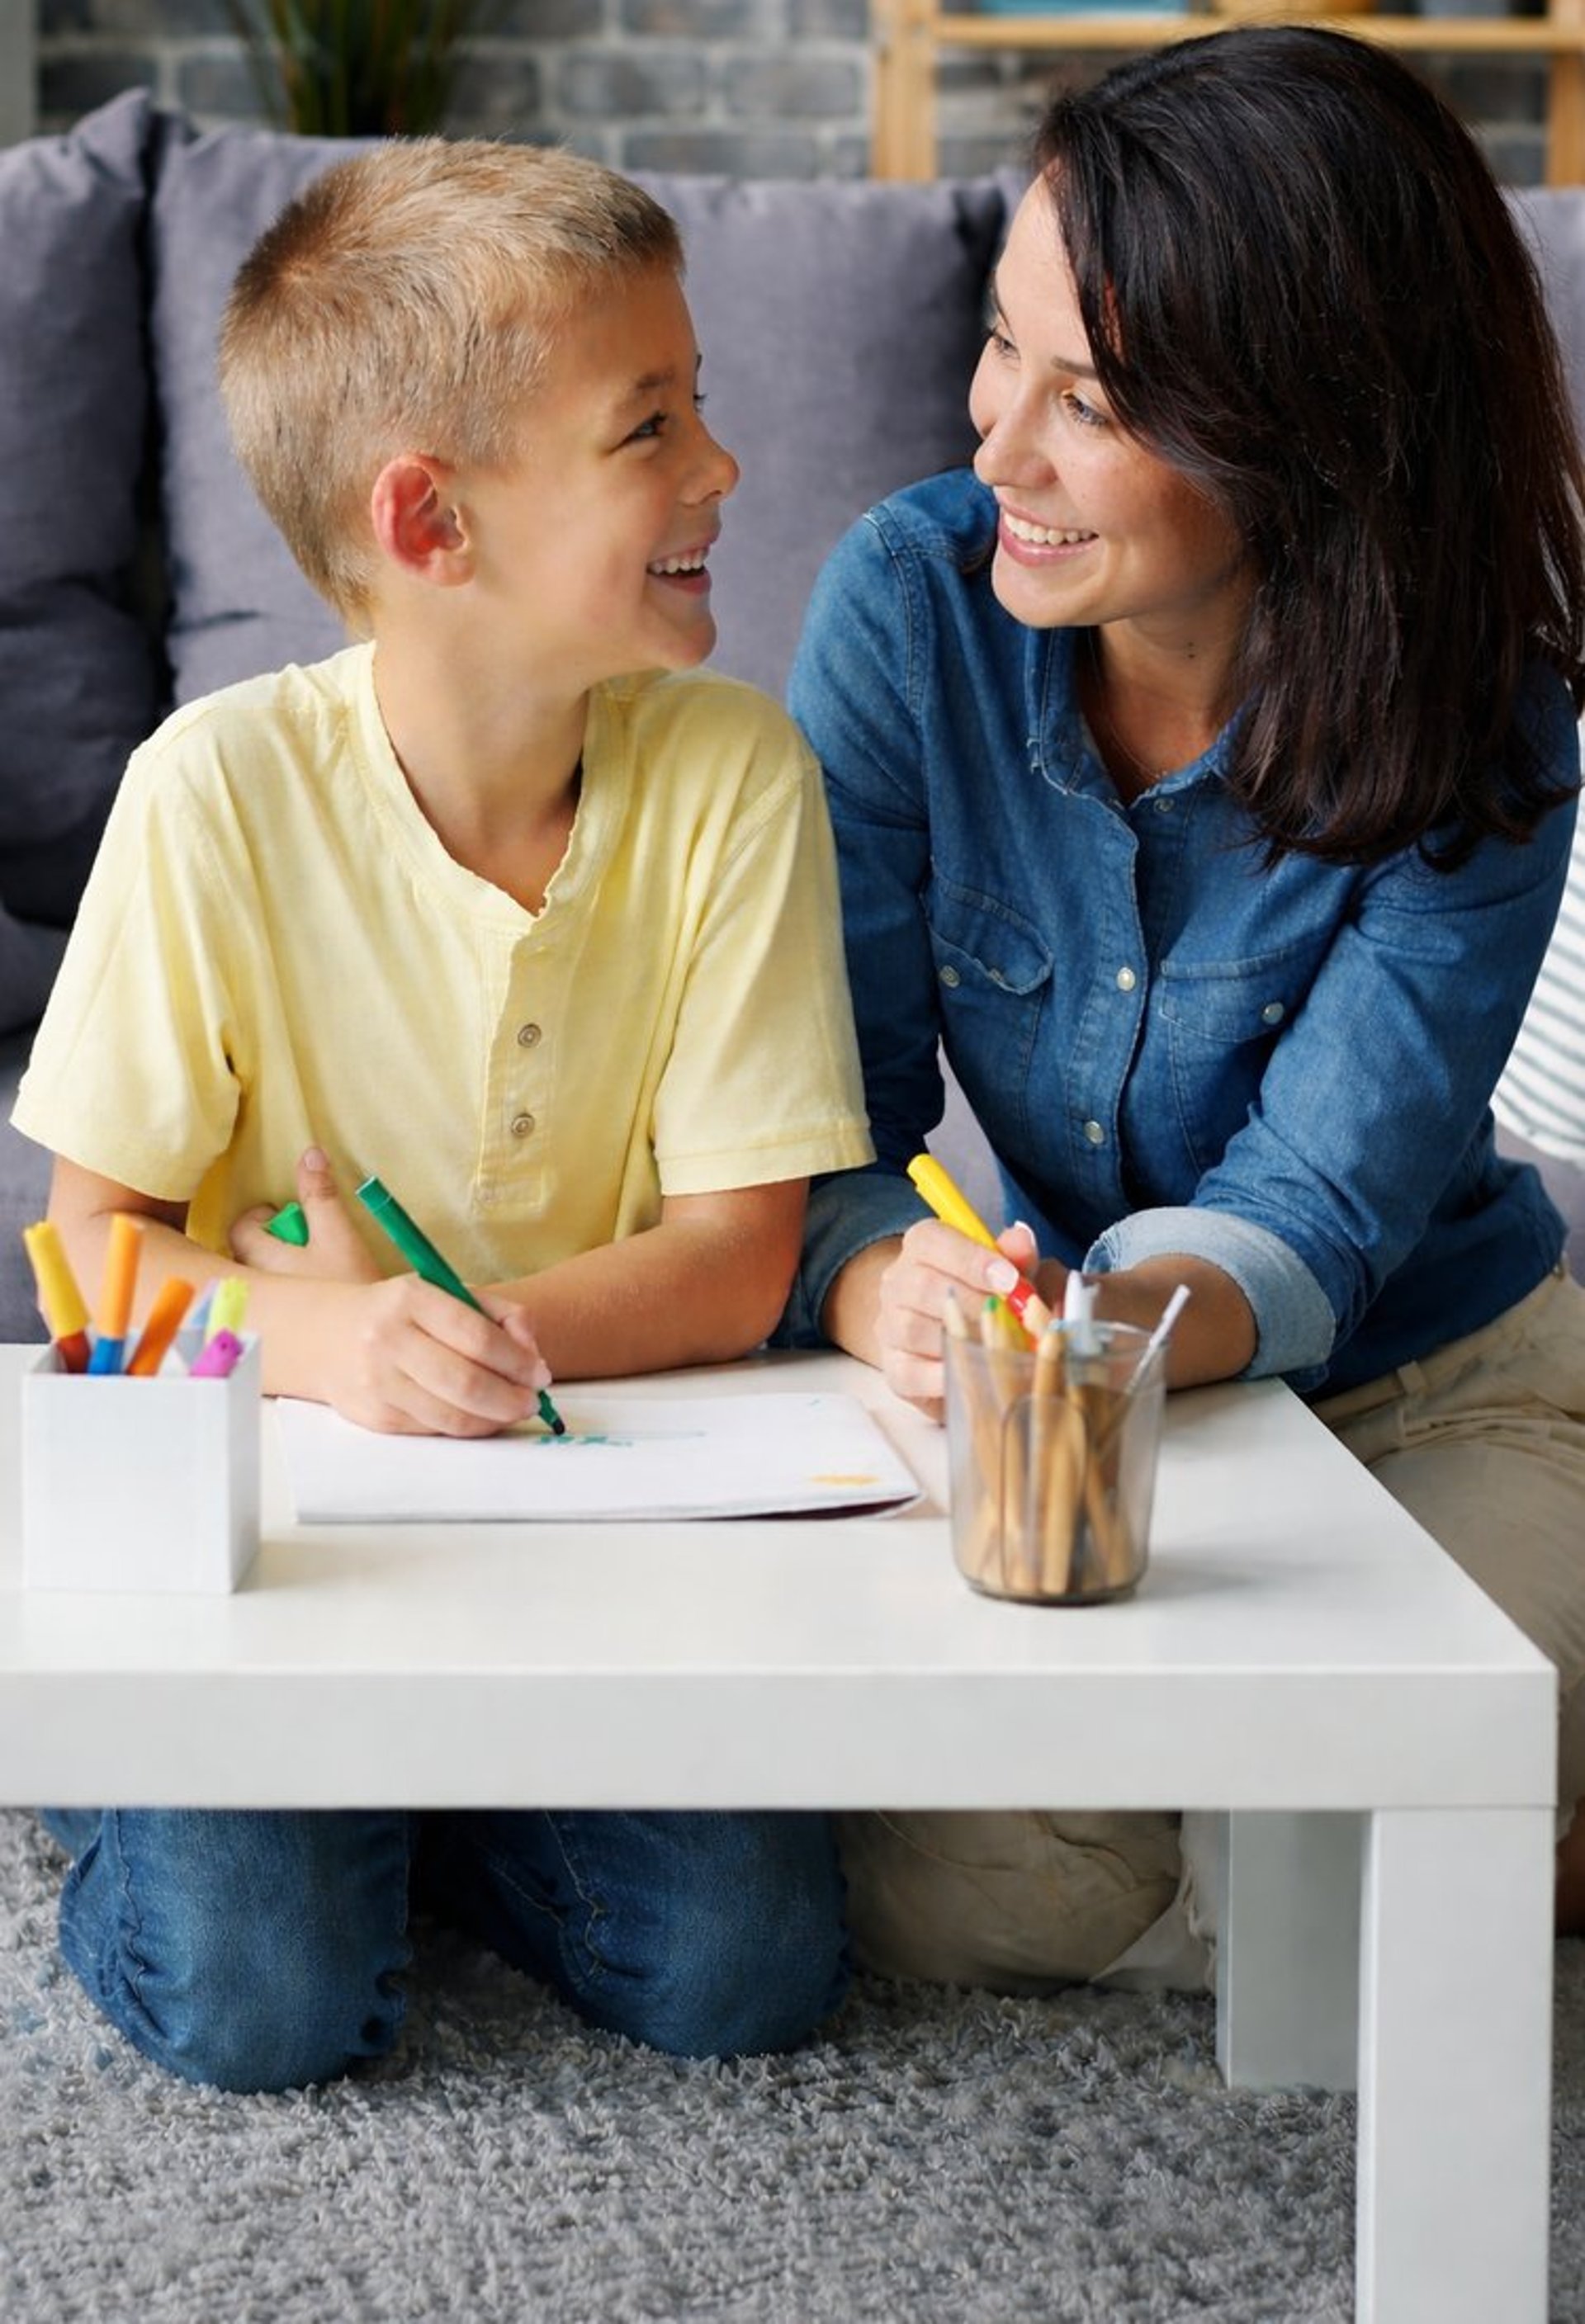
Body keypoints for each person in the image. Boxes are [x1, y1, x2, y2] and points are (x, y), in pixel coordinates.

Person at [10, 139, 873, 2090]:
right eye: (652, 426)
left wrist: (447, 1351)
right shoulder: (210, 793)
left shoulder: (736, 776)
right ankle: (132, 1778)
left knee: (750, 1961)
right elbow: (89, 1249)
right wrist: (326, 1340)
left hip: (578, 1543)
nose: (722, 466)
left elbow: (744, 1260)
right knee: (258, 2001)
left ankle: (410, 1806)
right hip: (275, 1563)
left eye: (704, 402)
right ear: (431, 518)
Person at [780, 26, 1585, 1988]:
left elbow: (1318, 1206)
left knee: (1357, 1910)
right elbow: (829, 1120)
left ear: (1310, 424)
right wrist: (901, 1288)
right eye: (1002, 347)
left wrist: (1100, 1332)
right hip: (1083, 1383)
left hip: (1435, 1373)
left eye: (1096, 400)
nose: (997, 447)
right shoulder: (913, 607)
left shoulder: (1492, 715)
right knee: (978, 1903)